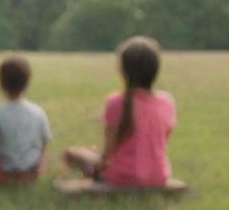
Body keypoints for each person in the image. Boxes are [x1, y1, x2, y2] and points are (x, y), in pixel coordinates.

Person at [63, 36, 176, 187]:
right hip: (158, 176)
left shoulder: (116, 102)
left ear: (122, 70)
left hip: (121, 177)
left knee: (73, 153)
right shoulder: (167, 101)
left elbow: (106, 155)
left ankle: (87, 171)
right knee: (90, 153)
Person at [0, 55, 51, 182]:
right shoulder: (38, 111)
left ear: (1, 83)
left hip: (5, 172)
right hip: (32, 171)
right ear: (27, 83)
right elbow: (45, 142)